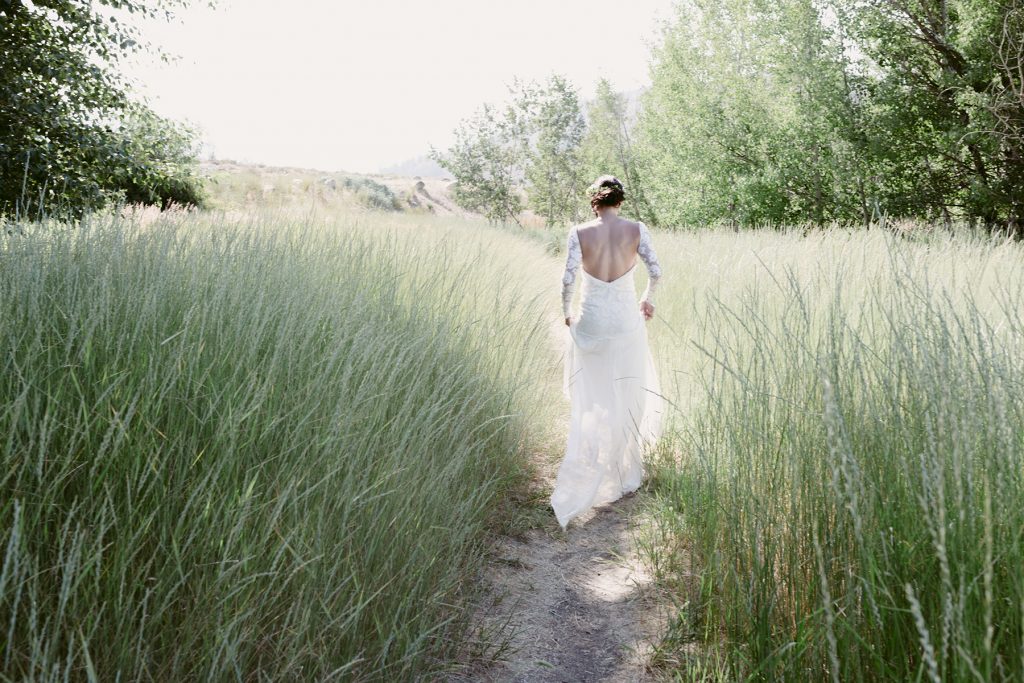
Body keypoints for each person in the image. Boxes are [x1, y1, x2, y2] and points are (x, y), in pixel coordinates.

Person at [551, 176, 663, 529]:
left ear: (593, 201)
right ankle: (621, 466)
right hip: (627, 322)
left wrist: (567, 311)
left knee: (593, 390)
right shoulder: (637, 229)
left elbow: (568, 279)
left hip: (593, 321)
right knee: (627, 389)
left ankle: (591, 456)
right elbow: (656, 271)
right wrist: (647, 299)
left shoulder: (579, 232)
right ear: (620, 200)